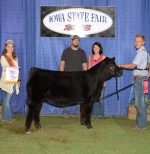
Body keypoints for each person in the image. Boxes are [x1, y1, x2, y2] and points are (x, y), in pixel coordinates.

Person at [119, 34, 149, 129]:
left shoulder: (141, 53)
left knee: (140, 103)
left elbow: (133, 66)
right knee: (142, 102)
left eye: (139, 41)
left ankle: (141, 125)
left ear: (143, 42)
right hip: (144, 80)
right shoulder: (145, 52)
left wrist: (120, 65)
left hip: (140, 80)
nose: (136, 43)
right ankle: (140, 124)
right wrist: (148, 75)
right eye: (136, 41)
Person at [60, 35, 88, 117]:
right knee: (66, 95)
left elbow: (85, 66)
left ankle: (78, 113)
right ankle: (66, 112)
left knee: (79, 95)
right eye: (75, 40)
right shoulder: (66, 51)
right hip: (67, 78)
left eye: (78, 40)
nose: (76, 42)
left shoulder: (82, 52)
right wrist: (61, 76)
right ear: (71, 41)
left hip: (79, 78)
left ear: (79, 42)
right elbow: (62, 65)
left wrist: (85, 78)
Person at [0, 40, 20, 123]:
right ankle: (7, 118)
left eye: (12, 46)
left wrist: (18, 81)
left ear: (13, 48)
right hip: (6, 81)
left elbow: (17, 70)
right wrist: (13, 69)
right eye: (8, 46)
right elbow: (5, 68)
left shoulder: (15, 57)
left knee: (6, 100)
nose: (10, 48)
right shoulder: (3, 57)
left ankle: (4, 117)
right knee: (7, 100)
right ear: (5, 47)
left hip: (14, 81)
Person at [88, 42, 106, 118]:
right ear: (93, 49)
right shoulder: (90, 57)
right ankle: (94, 114)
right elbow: (89, 70)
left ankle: (100, 114)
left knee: (101, 99)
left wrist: (104, 81)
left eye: (97, 47)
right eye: (94, 47)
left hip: (101, 81)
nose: (95, 49)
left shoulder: (103, 57)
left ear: (100, 49)